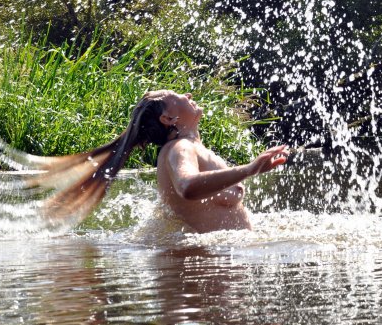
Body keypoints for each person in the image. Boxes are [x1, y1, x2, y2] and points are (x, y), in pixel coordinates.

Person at [34, 90, 288, 232]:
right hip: (202, 270)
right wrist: (249, 169)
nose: (188, 94)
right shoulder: (180, 148)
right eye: (176, 95)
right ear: (168, 118)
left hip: (209, 264)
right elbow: (187, 186)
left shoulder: (186, 147)